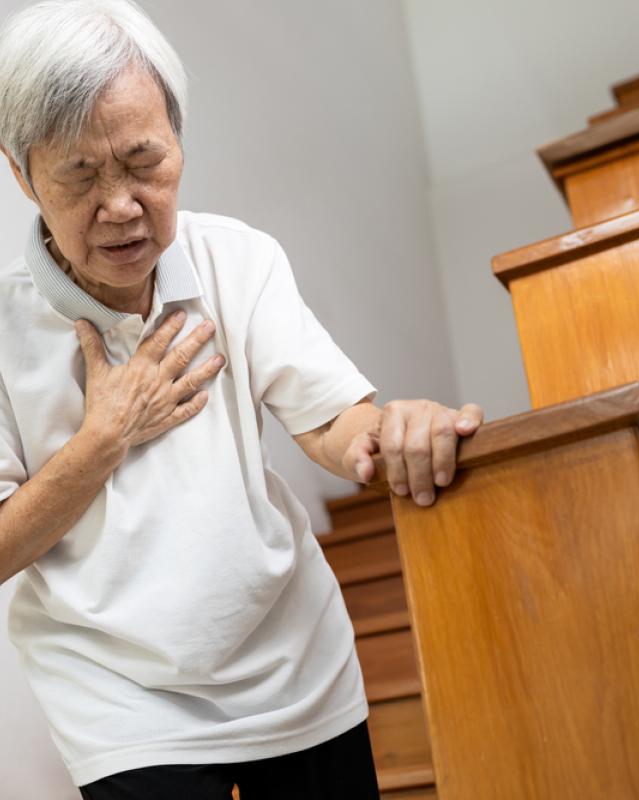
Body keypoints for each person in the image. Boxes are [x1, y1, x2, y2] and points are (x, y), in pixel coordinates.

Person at [0, 1, 483, 797]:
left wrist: (395, 426)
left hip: (295, 665)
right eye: (80, 176)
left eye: (144, 162)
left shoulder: (239, 260)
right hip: (119, 703)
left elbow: (333, 422)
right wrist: (104, 439)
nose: (121, 206)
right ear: (22, 174)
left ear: (179, 140)